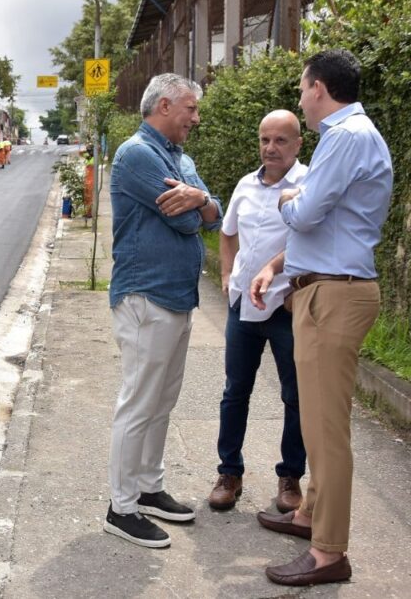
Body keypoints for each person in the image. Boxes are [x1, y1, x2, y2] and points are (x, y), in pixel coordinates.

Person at [250, 49, 392, 587]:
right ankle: (310, 514)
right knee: (315, 421)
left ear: (317, 87)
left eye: (302, 87)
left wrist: (289, 196)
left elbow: (307, 213)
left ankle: (329, 552)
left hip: (335, 296)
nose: (301, 97)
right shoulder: (350, 136)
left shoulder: (345, 136)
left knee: (327, 431)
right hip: (325, 291)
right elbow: (327, 221)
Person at [105, 73, 222, 549]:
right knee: (139, 402)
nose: (196, 118)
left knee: (162, 400)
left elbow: (213, 213)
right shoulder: (137, 154)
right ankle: (121, 507)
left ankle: (149, 488)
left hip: (176, 297)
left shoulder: (181, 158)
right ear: (166, 105)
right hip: (146, 296)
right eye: (191, 109)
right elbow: (186, 221)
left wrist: (202, 200)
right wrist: (199, 205)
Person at [209, 110, 307, 514]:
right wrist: (228, 275)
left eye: (280, 140)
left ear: (298, 144)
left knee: (295, 395)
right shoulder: (246, 184)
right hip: (242, 309)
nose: (270, 148)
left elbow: (313, 239)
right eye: (265, 140)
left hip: (286, 307)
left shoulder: (309, 184)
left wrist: (282, 276)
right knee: (235, 392)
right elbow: (227, 232)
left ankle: (290, 478)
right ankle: (229, 473)